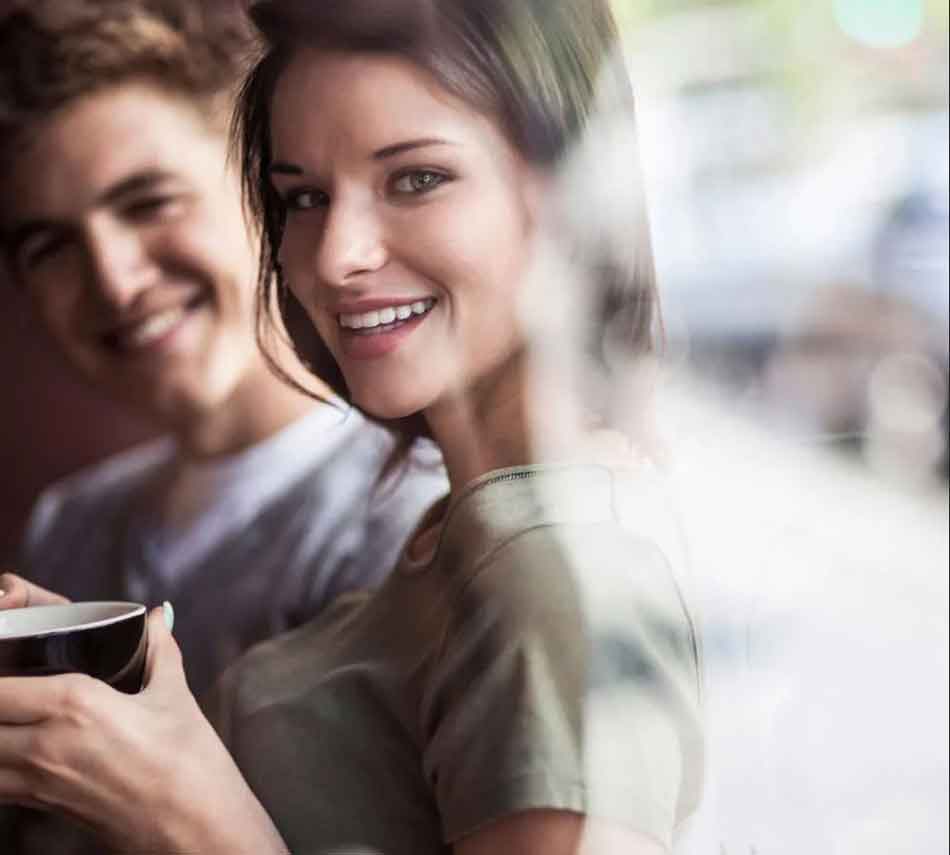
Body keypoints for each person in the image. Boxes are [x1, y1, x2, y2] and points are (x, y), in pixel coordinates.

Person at [0, 1, 703, 853]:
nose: (334, 257)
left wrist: (183, 813)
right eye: (302, 196)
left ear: (557, 187)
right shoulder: (461, 533)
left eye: (416, 178)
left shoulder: (552, 566)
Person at [0, 1, 445, 850]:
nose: (114, 279)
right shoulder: (71, 526)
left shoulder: (412, 526)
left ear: (265, 189)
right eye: (49, 245)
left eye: (149, 201)